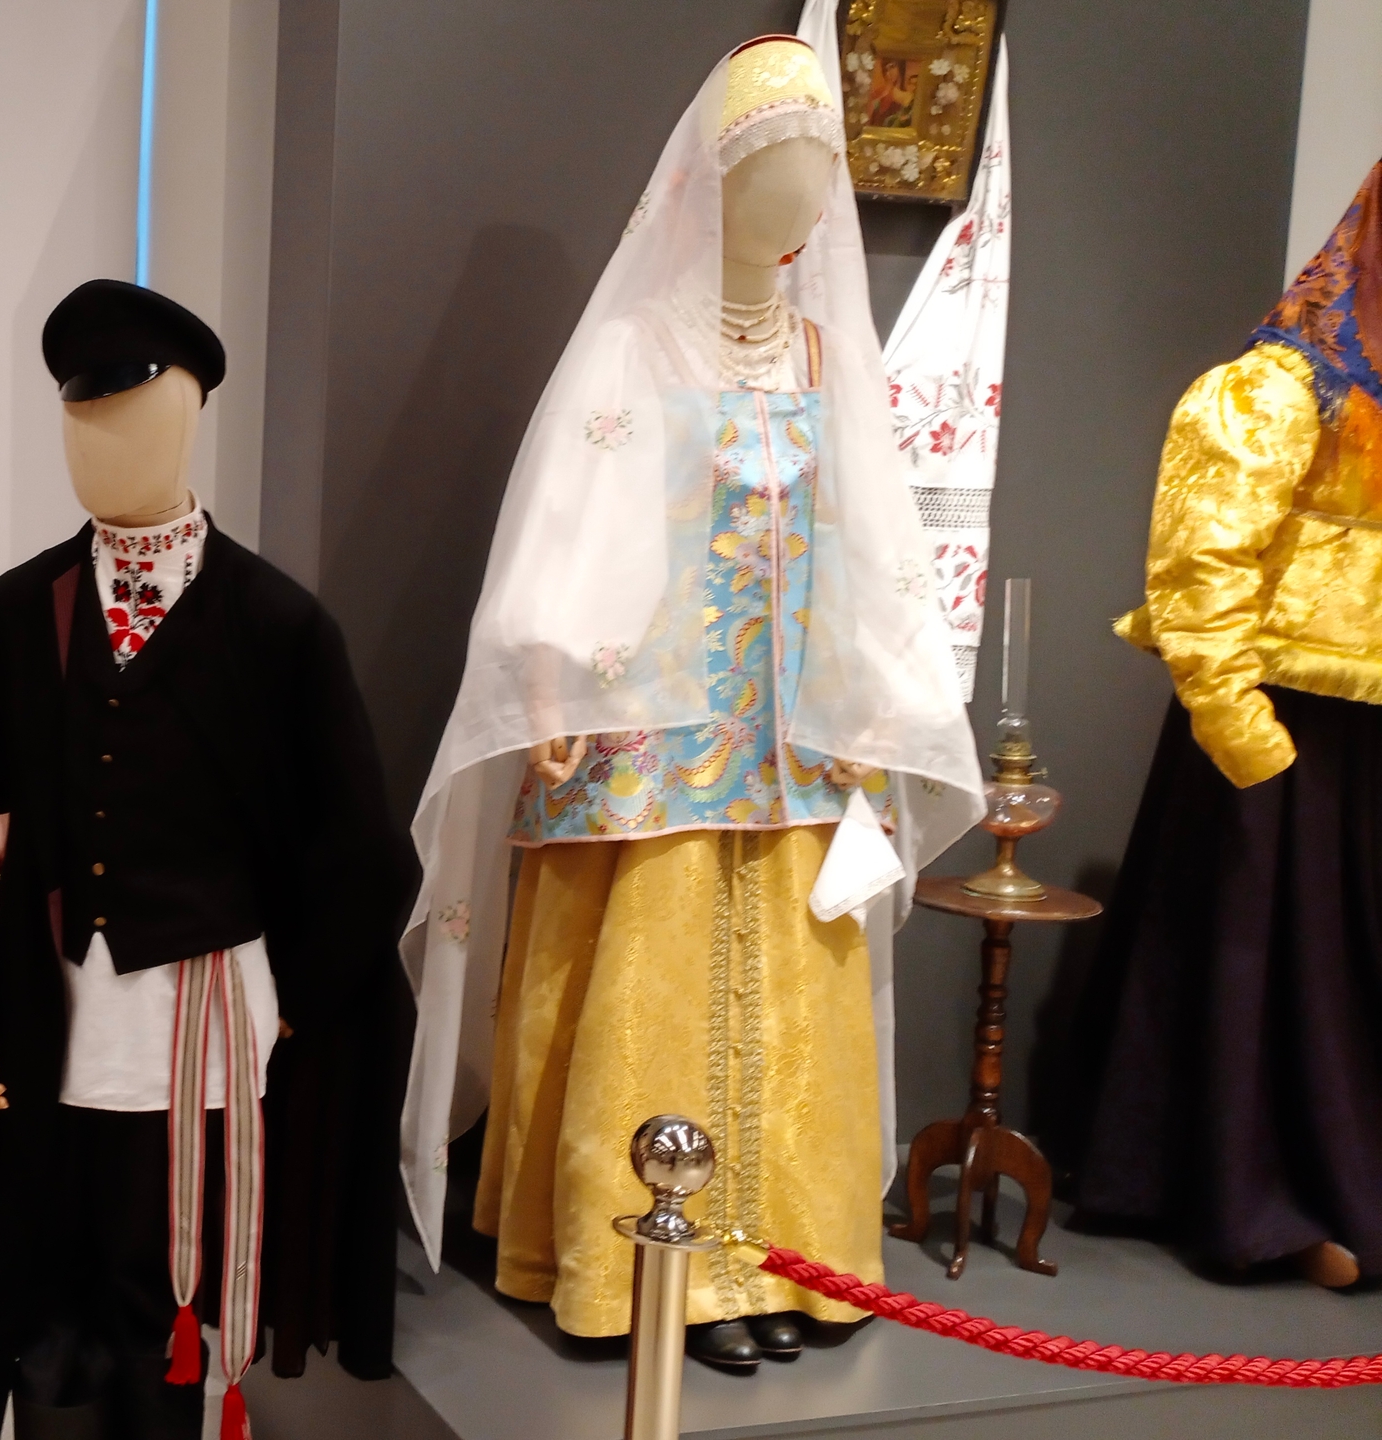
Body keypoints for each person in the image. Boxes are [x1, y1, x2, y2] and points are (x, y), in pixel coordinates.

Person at [398, 36, 984, 1371]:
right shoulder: (635, 351)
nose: (806, 194)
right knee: (651, 993)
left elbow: (873, 544)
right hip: (652, 734)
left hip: (797, 744)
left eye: (822, 168)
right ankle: (656, 1268)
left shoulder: (827, 357)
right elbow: (568, 530)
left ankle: (780, 1256)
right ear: (715, 178)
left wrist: (889, 701)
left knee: (797, 1002)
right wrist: (549, 673)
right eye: (779, 164)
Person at [0, 280, 418, 1440]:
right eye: (81, 417)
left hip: (203, 1024)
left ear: (190, 417)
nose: (100, 443)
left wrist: (291, 1002)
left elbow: (363, 849)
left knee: (167, 1295)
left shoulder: (277, 623)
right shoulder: (17, 612)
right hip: (43, 1016)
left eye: (130, 414)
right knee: (46, 1298)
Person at [1064, 157, 1382, 1292]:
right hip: (1282, 732)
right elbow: (1199, 567)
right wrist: (1242, 731)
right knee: (1275, 972)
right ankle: (1269, 1194)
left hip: (1370, 739)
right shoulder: (1275, 389)